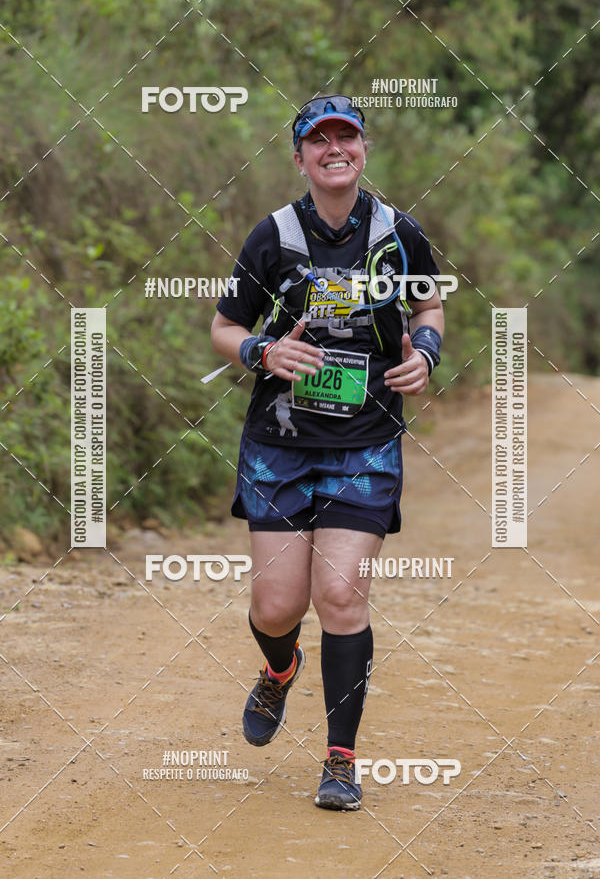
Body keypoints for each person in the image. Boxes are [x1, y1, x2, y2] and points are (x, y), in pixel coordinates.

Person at [211, 94, 444, 811]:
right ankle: (279, 671)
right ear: (301, 156)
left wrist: (427, 352)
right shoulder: (272, 236)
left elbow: (429, 304)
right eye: (320, 140)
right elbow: (224, 327)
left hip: (365, 442)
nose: (335, 149)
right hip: (278, 446)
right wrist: (260, 349)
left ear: (364, 150)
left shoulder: (398, 233)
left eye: (347, 137)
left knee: (339, 594)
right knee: (277, 607)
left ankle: (340, 760)